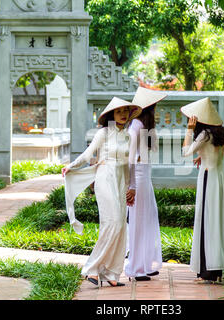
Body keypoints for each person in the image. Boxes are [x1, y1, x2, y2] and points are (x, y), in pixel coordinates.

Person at [62, 97, 142, 287]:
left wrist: (132, 187)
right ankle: (91, 268)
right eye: (118, 111)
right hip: (105, 177)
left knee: (121, 226)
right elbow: (88, 154)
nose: (123, 115)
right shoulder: (104, 133)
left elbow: (129, 165)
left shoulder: (129, 136)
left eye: (125, 111)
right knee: (111, 223)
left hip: (121, 181)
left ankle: (112, 273)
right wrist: (71, 166)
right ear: (111, 115)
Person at [180, 97, 224, 283]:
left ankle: (206, 272)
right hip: (218, 177)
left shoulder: (204, 135)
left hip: (208, 178)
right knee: (215, 221)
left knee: (205, 222)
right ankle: (215, 271)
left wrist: (188, 131)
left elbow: (185, 152)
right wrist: (202, 157)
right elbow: (215, 155)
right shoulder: (219, 132)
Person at [125, 87, 167, 281]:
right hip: (138, 178)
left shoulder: (144, 125)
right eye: (155, 107)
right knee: (139, 222)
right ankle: (137, 267)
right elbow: (130, 158)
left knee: (147, 218)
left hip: (145, 177)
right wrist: (131, 186)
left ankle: (145, 263)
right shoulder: (136, 125)